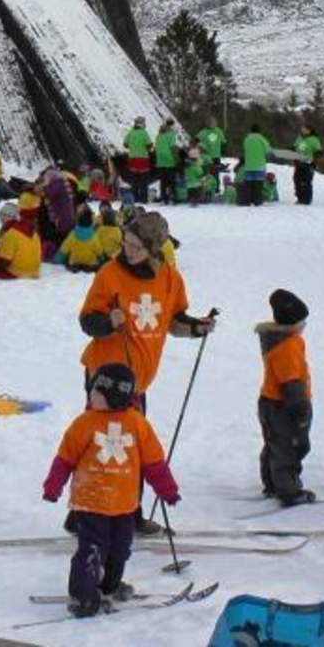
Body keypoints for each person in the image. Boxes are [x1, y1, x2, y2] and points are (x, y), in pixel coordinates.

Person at [76, 210, 213, 532]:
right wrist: (108, 322)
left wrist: (196, 328)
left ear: (154, 249)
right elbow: (87, 321)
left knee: (123, 446)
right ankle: (114, 515)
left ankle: (108, 512)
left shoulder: (170, 279)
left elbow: (173, 322)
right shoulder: (109, 273)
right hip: (106, 375)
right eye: (126, 243)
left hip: (138, 381)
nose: (128, 251)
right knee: (114, 445)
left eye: (137, 246)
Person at [40, 363, 181, 619]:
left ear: (114, 396)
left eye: (97, 392)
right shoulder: (84, 423)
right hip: (91, 501)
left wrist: (167, 490)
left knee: (120, 548)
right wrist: (53, 486)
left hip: (124, 504)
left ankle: (109, 586)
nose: (91, 396)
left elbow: (154, 463)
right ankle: (83, 596)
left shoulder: (137, 424)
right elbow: (65, 459)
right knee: (92, 548)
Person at [258, 289, 313, 506]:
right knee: (288, 448)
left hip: (270, 404)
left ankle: (273, 484)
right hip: (283, 406)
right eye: (302, 321)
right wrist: (300, 412)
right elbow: (291, 382)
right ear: (292, 324)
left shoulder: (281, 340)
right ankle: (289, 491)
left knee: (274, 445)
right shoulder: (288, 345)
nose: (304, 325)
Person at [0, 201, 42, 280]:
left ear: (5, 217)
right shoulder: (33, 231)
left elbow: (4, 261)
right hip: (34, 271)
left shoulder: (11, 233)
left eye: (1, 217)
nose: (0, 221)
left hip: (18, 272)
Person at [55, 206, 106, 273]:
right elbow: (99, 251)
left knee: (70, 260)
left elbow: (64, 249)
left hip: (74, 261)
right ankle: (88, 266)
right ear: (91, 222)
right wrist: (103, 259)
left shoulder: (73, 234)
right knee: (94, 263)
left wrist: (56, 260)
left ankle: (76, 265)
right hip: (90, 262)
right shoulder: (93, 236)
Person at [122, 117, 154, 203]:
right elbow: (150, 145)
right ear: (142, 124)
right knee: (144, 180)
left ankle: (134, 198)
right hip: (143, 159)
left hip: (132, 159)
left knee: (134, 180)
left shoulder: (130, 133)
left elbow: (125, 144)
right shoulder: (144, 133)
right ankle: (143, 199)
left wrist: (132, 147)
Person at [239, 124, 271, 207]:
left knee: (249, 184)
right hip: (259, 165)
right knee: (258, 184)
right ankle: (257, 201)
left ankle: (247, 201)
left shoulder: (247, 139)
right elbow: (268, 151)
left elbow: (244, 148)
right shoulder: (262, 139)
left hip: (249, 165)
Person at [292, 123, 323, 206]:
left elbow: (319, 151)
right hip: (299, 162)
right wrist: (291, 150)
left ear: (309, 130)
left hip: (309, 163)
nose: (302, 130)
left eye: (304, 129)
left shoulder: (314, 139)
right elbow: (295, 147)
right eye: (302, 129)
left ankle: (307, 200)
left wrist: (316, 155)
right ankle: (300, 198)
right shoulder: (299, 138)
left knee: (306, 181)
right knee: (297, 180)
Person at [152, 120, 180, 206]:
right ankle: (174, 198)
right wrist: (176, 159)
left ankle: (164, 198)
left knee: (163, 182)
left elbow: (155, 149)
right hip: (169, 161)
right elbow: (173, 148)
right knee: (172, 181)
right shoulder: (171, 136)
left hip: (160, 162)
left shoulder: (158, 137)